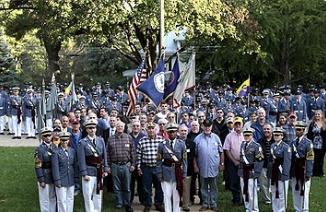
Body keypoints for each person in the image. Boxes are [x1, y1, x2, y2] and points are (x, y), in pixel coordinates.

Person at [78, 119, 109, 212]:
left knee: (98, 194)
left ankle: (97, 210)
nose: (92, 130)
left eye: (94, 128)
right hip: (89, 171)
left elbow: (104, 155)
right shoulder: (83, 142)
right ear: (87, 130)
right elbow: (81, 159)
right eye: (90, 128)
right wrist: (84, 173)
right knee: (88, 195)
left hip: (99, 171)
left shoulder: (101, 140)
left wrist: (106, 169)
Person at [194, 119, 225, 211]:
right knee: (203, 187)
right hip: (202, 167)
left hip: (214, 167)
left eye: (209, 126)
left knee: (214, 186)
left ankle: (213, 203)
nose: (207, 128)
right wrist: (195, 166)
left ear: (211, 127)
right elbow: (194, 155)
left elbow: (221, 152)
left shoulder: (216, 138)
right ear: (202, 126)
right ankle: (205, 203)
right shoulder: (197, 139)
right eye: (205, 126)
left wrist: (222, 164)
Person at [157, 123, 188, 212]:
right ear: (167, 133)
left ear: (176, 132)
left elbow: (185, 161)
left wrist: (184, 174)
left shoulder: (181, 144)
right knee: (167, 195)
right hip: (166, 172)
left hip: (178, 173)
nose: (171, 134)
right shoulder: (162, 145)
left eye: (173, 132)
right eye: (170, 132)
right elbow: (159, 161)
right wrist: (159, 174)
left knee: (177, 195)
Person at [106, 121, 136, 212]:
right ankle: (119, 202)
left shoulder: (128, 138)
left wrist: (133, 164)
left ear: (124, 128)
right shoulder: (110, 139)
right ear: (116, 127)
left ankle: (127, 203)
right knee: (116, 186)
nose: (120, 128)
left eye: (121, 126)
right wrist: (108, 167)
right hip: (115, 165)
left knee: (127, 186)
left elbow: (133, 153)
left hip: (126, 165)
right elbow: (107, 154)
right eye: (118, 126)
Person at [136, 121, 164, 212]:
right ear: (146, 130)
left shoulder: (161, 140)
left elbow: (164, 154)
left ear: (156, 130)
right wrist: (139, 167)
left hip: (158, 168)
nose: (151, 130)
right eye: (149, 128)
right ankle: (147, 204)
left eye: (153, 128)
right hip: (146, 167)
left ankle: (158, 204)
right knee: (146, 188)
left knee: (159, 187)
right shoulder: (142, 140)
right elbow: (139, 155)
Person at [52, 132, 79, 212]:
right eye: (63, 140)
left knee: (70, 198)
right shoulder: (56, 152)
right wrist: (57, 180)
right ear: (60, 140)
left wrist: (76, 178)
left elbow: (74, 166)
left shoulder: (72, 151)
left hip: (70, 179)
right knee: (61, 200)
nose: (65, 142)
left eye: (66, 140)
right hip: (61, 179)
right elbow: (55, 167)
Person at [238, 127, 264, 212]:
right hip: (243, 172)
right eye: (245, 135)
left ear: (252, 135)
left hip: (251, 172)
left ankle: (254, 209)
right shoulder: (242, 144)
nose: (246, 137)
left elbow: (260, 160)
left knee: (252, 193)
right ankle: (248, 208)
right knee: (245, 192)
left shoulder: (256, 146)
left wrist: (257, 173)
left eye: (248, 135)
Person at [290, 121, 314, 211]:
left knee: (304, 190)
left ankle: (304, 209)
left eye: (299, 130)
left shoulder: (308, 143)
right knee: (295, 190)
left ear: (304, 131)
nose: (297, 131)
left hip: (303, 169)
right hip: (295, 169)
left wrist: (308, 172)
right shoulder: (293, 142)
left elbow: (310, 159)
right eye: (296, 129)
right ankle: (297, 208)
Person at [267, 127, 291, 212]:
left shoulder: (286, 147)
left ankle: (281, 209)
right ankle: (275, 209)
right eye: (275, 135)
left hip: (281, 173)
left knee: (281, 194)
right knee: (274, 192)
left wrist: (285, 174)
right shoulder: (273, 145)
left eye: (278, 135)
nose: (276, 136)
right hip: (273, 173)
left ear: (282, 136)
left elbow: (287, 162)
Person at [34, 127, 57, 212]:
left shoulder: (54, 146)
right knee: (44, 198)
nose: (48, 137)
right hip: (45, 174)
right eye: (45, 135)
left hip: (53, 175)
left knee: (52, 197)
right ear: (43, 137)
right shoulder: (39, 149)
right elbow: (38, 165)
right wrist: (41, 179)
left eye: (49, 135)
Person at [223, 117, 244, 206]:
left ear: (242, 124)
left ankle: (245, 200)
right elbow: (227, 150)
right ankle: (236, 200)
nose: (238, 125)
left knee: (244, 182)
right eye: (236, 124)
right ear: (233, 125)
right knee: (234, 182)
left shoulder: (246, 134)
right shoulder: (229, 136)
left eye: (239, 123)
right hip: (233, 162)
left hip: (245, 162)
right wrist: (234, 161)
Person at [178, 124, 195, 212]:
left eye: (185, 131)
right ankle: (176, 203)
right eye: (182, 131)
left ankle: (185, 205)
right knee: (176, 187)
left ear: (187, 132)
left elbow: (191, 157)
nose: (183, 132)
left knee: (186, 187)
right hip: (176, 168)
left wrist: (184, 165)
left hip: (188, 168)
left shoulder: (192, 143)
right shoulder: (175, 142)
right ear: (178, 132)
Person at [256, 123, 274, 204]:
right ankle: (267, 200)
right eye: (265, 129)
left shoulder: (276, 140)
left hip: (274, 165)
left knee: (274, 183)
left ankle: (275, 198)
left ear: (272, 130)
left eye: (268, 129)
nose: (266, 131)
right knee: (263, 184)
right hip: (263, 165)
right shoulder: (259, 141)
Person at [129, 120, 146, 204]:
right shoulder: (128, 136)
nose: (136, 127)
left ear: (140, 127)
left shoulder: (144, 137)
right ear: (131, 127)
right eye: (134, 126)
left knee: (141, 183)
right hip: (130, 163)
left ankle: (142, 200)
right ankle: (130, 199)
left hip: (141, 163)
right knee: (131, 183)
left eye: (137, 126)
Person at [307, 109, 326, 177]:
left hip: (322, 144)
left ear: (321, 115)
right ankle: (314, 172)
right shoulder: (312, 124)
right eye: (316, 114)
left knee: (320, 159)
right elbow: (309, 135)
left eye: (318, 114)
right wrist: (309, 143)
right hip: (313, 143)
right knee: (314, 159)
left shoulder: (324, 123)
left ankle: (320, 173)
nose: (317, 115)